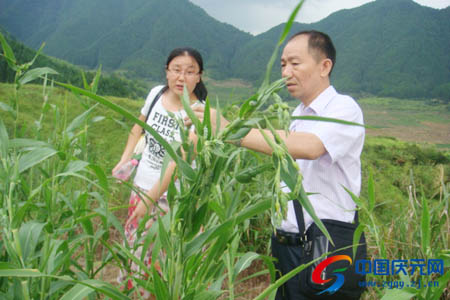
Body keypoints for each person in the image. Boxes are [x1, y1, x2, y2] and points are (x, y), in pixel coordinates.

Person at [186, 30, 365, 299]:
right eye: (283, 65)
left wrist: (231, 129)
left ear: (324, 66)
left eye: (295, 63)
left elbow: (310, 147)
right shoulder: (299, 114)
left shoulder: (344, 109)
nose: (285, 72)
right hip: (289, 247)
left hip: (325, 248)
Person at [112, 47, 207, 299]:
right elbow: (137, 129)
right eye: (176, 70)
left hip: (172, 202)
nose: (181, 77)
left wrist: (151, 197)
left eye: (189, 72)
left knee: (164, 268)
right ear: (166, 72)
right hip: (141, 190)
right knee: (135, 259)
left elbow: (180, 161)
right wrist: (124, 161)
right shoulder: (155, 94)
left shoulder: (200, 112)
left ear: (199, 77)